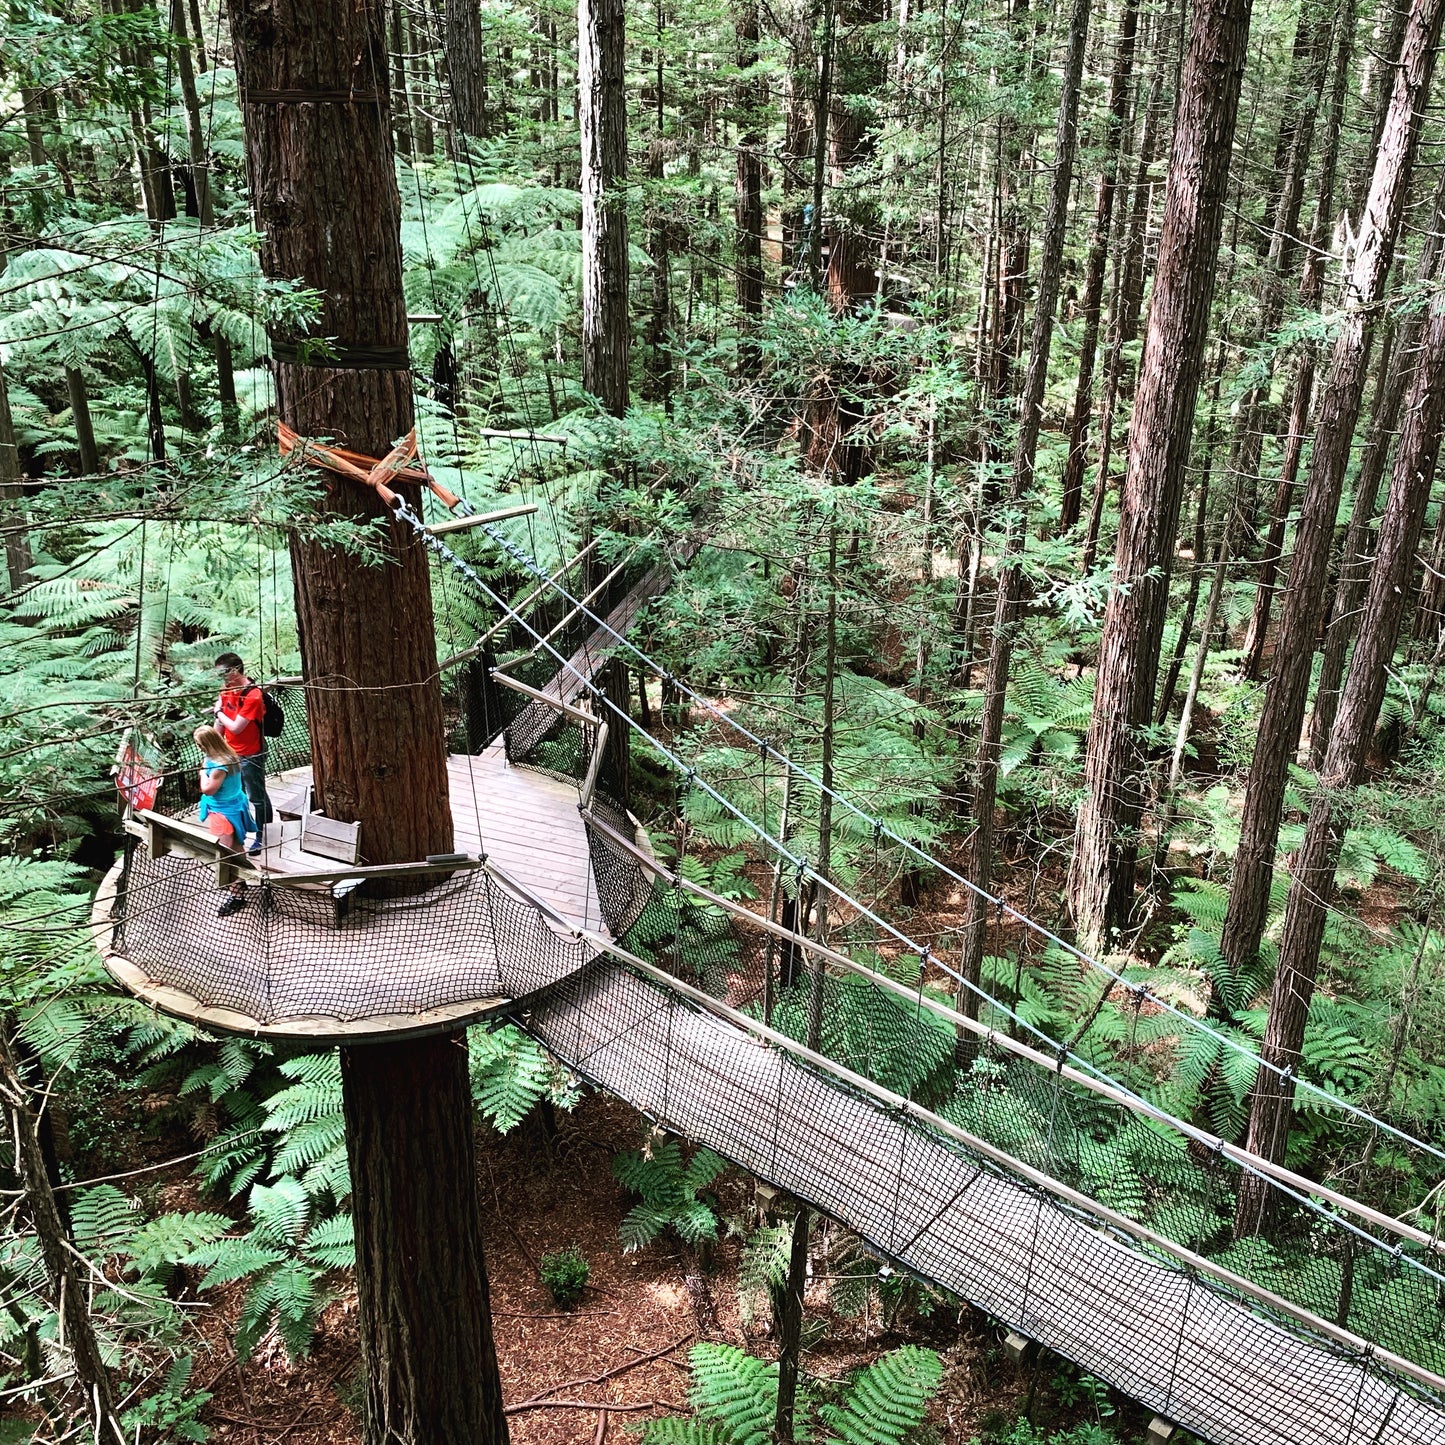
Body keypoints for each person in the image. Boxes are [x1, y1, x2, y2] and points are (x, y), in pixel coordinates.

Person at [212, 651, 272, 856]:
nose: (222, 679)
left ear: (236, 671)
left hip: (251, 754)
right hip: (231, 753)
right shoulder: (227, 689)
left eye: (224, 673)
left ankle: (264, 835)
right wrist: (213, 745)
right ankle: (242, 832)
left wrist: (217, 711)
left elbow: (237, 726)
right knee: (238, 795)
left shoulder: (253, 695)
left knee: (257, 796)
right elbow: (221, 722)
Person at [195, 726, 257, 917]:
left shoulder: (219, 765)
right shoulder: (228, 753)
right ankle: (242, 879)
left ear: (206, 744)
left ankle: (236, 896)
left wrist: (201, 774)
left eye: (199, 744)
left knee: (224, 855)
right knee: (237, 847)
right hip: (234, 805)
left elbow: (208, 789)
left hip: (223, 812)